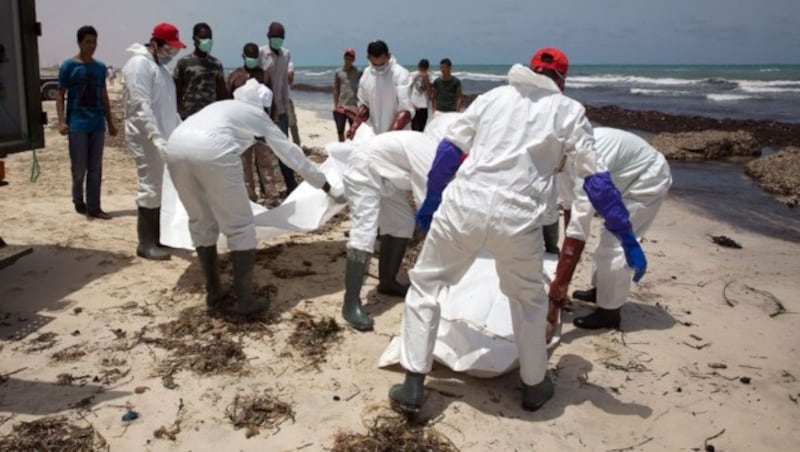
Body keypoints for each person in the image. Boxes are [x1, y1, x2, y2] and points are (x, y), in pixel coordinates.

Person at [388, 48, 647, 413]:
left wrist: (433, 196)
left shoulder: (494, 97)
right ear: (562, 79)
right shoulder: (569, 111)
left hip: (465, 204)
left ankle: (413, 384)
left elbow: (451, 149)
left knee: (427, 286)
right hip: (519, 217)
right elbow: (597, 183)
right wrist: (627, 236)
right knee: (528, 301)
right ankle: (534, 385)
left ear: (531, 69)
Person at [164, 79, 345, 315]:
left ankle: (214, 292)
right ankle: (246, 301)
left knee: (201, 222)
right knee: (240, 227)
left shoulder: (223, 107)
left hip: (175, 146)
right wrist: (327, 186)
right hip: (211, 150)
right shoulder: (255, 115)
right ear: (263, 106)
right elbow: (292, 156)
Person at [341, 113, 461, 331]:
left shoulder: (430, 147)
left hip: (386, 178)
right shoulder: (429, 153)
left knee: (402, 223)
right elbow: (431, 204)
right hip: (364, 170)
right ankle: (350, 305)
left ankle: (387, 281)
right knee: (365, 232)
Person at [549, 127, 672, 330]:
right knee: (606, 239)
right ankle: (601, 291)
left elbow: (579, 228)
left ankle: (610, 312)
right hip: (619, 177)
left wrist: (560, 285)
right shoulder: (560, 165)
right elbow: (571, 209)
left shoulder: (586, 158)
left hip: (646, 178)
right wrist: (566, 265)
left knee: (613, 243)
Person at [122, 22, 186, 261]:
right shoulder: (139, 65)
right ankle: (145, 243)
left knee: (163, 186)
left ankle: (159, 237)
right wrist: (156, 137)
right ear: (156, 44)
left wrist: (180, 131)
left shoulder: (161, 70)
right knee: (150, 185)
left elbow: (169, 108)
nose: (172, 54)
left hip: (164, 136)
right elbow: (140, 106)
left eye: (175, 51)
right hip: (146, 137)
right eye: (169, 49)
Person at [56, 25, 117, 219]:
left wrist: (111, 122)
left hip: (97, 123)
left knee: (95, 168)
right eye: (87, 42)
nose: (91, 46)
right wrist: (61, 121)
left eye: (94, 42)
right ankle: (78, 200)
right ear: (79, 43)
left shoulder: (100, 68)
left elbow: (103, 95)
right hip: (77, 124)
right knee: (79, 167)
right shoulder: (68, 66)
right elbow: (60, 94)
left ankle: (94, 207)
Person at [227, 42, 278, 203]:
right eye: (250, 57)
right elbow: (226, 100)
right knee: (244, 163)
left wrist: (273, 123)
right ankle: (250, 197)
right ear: (243, 57)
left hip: (261, 126)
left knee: (265, 162)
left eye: (255, 58)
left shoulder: (265, 76)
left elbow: (272, 100)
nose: (252, 61)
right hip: (241, 128)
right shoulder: (235, 76)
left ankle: (271, 195)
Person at [259, 21, 298, 194]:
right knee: (262, 149)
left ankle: (290, 184)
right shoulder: (261, 53)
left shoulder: (286, 54)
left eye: (280, 38)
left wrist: (285, 106)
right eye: (274, 37)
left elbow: (284, 82)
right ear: (269, 37)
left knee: (283, 147)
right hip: (263, 109)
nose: (277, 40)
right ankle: (264, 187)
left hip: (281, 107)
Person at [347, 40, 414, 138]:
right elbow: (365, 105)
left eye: (382, 64)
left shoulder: (400, 74)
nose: (379, 67)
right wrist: (355, 126)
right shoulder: (366, 75)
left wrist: (387, 137)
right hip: (376, 134)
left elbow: (406, 112)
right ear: (368, 58)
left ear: (389, 56)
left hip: (400, 135)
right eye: (375, 64)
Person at [173, 22, 227, 120]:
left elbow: (221, 93)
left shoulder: (216, 64)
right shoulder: (183, 63)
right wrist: (179, 112)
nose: (206, 40)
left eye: (209, 37)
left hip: (211, 116)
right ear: (194, 38)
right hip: (188, 116)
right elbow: (176, 91)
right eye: (203, 37)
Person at [332, 48, 361, 142]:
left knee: (354, 131)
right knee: (340, 130)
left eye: (350, 58)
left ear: (353, 60)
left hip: (353, 106)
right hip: (341, 106)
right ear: (344, 58)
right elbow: (336, 89)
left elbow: (363, 88)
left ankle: (352, 148)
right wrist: (335, 105)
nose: (348, 60)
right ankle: (341, 148)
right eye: (347, 58)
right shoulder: (338, 72)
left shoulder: (358, 72)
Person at [409, 59, 432, 131]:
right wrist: (411, 103)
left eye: (424, 69)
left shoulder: (429, 76)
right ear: (418, 67)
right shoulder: (413, 75)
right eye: (421, 68)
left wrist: (426, 80)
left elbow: (430, 93)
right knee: (414, 128)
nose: (422, 71)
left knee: (421, 128)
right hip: (414, 105)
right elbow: (408, 89)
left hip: (424, 106)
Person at [286, 61, 301, 146]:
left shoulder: (288, 63)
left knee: (293, 124)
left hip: (287, 99)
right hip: (274, 99)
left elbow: (290, 80)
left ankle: (297, 146)